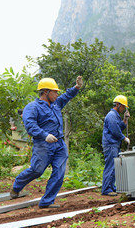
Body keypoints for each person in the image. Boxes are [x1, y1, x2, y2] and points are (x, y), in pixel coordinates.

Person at [10, 76, 83, 208]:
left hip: (59, 145)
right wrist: (45, 135)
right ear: (45, 92)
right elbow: (30, 126)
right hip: (43, 145)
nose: (57, 94)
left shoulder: (56, 103)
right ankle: (17, 185)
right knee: (37, 170)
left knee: (59, 172)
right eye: (55, 92)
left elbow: (67, 96)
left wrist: (76, 87)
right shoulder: (32, 107)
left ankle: (47, 202)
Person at [101, 95, 130, 196]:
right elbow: (115, 131)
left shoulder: (116, 115)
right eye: (123, 106)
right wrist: (124, 138)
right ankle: (106, 189)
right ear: (117, 105)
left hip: (114, 144)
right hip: (110, 144)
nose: (123, 109)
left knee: (115, 166)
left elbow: (120, 127)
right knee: (110, 166)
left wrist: (125, 119)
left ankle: (111, 186)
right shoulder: (111, 115)